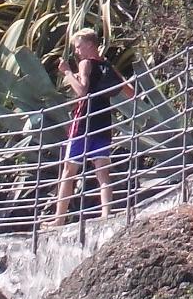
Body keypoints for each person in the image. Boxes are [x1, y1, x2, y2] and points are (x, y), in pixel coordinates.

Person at [49, 29, 134, 225]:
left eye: (78, 47)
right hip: (103, 123)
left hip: (83, 124)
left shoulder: (85, 63)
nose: (77, 51)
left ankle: (59, 219)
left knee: (69, 171)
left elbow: (82, 92)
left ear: (89, 45)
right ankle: (106, 214)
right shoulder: (108, 66)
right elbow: (130, 93)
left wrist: (68, 73)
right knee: (102, 172)